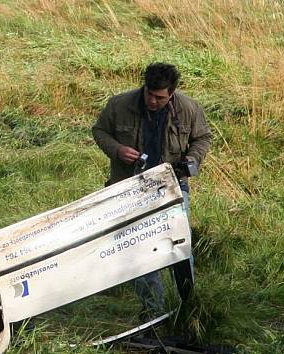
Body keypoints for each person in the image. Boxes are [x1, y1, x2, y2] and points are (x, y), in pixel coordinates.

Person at [91, 62, 212, 318]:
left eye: (159, 97)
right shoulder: (119, 104)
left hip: (172, 187)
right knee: (139, 251)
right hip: (129, 189)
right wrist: (117, 150)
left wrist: (192, 160)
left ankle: (189, 307)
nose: (152, 101)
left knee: (179, 246)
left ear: (172, 94)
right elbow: (99, 130)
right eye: (149, 93)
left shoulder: (189, 109)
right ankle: (153, 312)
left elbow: (202, 138)